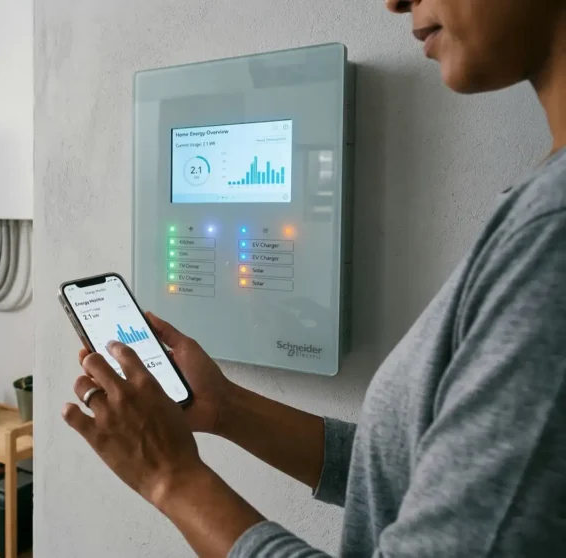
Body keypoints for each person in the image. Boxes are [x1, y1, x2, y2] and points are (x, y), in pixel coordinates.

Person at [63, 1, 566, 556]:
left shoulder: (553, 233)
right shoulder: (538, 207)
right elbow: (420, 479)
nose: (395, 2)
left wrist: (170, 478)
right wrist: (226, 407)